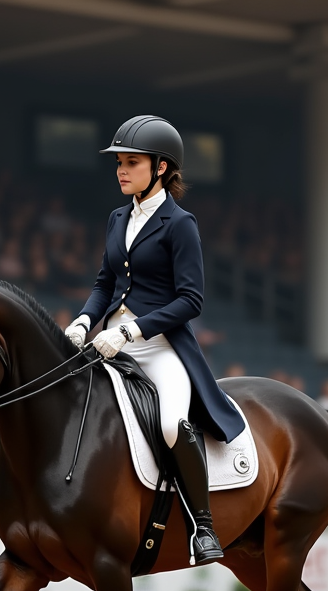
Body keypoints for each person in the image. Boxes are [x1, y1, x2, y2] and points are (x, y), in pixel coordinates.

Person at [64, 116, 243, 565]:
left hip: (159, 344)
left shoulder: (180, 224)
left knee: (169, 424)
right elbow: (105, 283)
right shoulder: (117, 217)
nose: (121, 170)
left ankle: (203, 526)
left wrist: (131, 328)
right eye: (119, 163)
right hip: (109, 338)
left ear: (161, 168)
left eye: (132, 163)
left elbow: (191, 300)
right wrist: (84, 321)